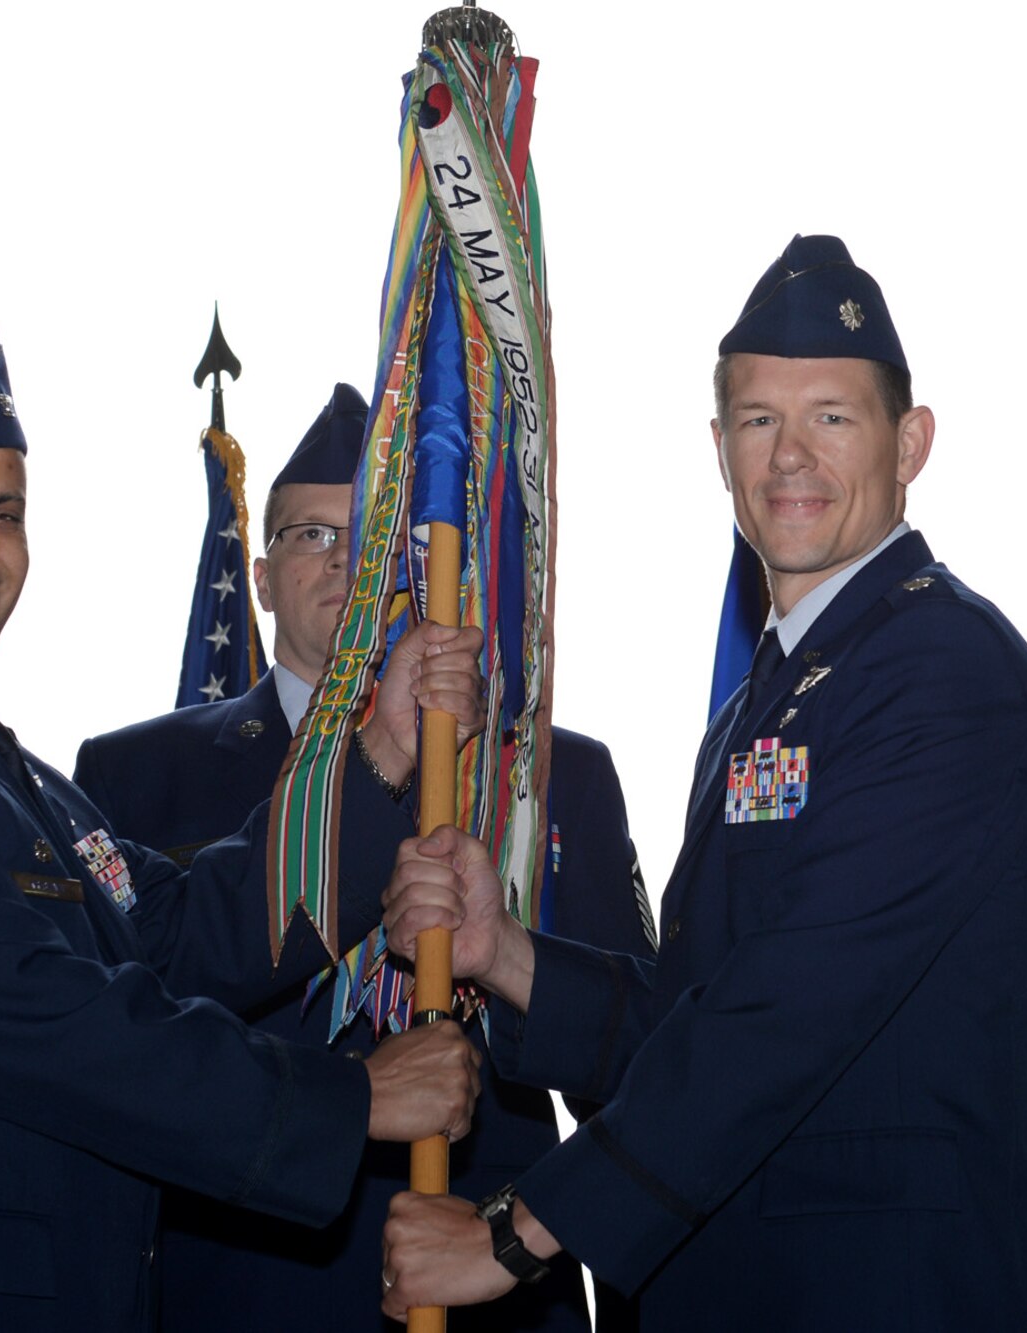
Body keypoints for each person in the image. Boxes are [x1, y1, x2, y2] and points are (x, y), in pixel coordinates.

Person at [0, 318, 488, 1332]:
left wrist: (377, 752)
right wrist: (350, 1099)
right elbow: (43, 1021)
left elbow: (179, 933)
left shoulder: (9, 773)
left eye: (3, 513)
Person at [381, 235, 1027, 1330]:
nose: (789, 455)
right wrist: (502, 954)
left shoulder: (945, 674)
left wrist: (512, 1235)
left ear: (910, 443)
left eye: (831, 417)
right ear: (719, 449)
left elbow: (782, 1018)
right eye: (759, 420)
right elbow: (698, 1012)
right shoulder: (773, 694)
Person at [76, 382, 658, 1333]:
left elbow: (639, 1075)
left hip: (489, 1280)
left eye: (376, 536)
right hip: (238, 1283)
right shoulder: (140, 774)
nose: (347, 559)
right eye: (312, 534)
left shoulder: (550, 774)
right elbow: (126, 1045)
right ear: (261, 578)